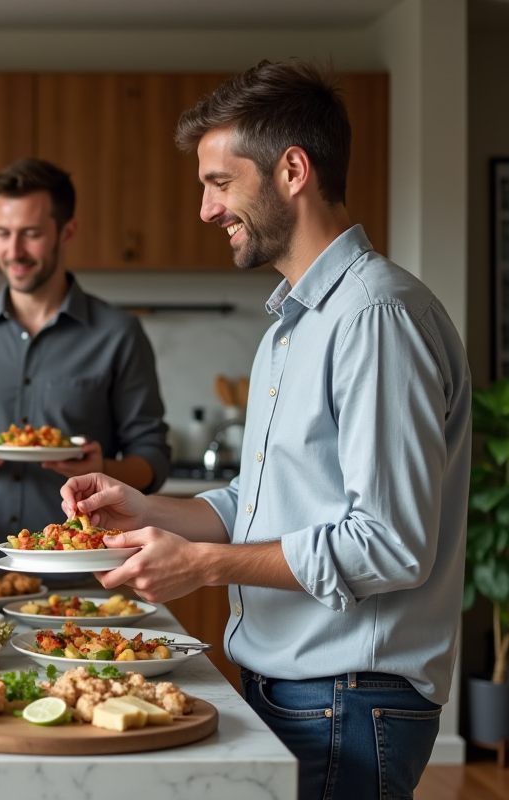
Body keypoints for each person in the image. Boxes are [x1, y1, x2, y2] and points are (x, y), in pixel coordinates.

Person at [60, 60, 470, 800]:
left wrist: (205, 566)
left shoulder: (377, 317)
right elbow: (267, 498)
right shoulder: (292, 324)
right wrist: (147, 509)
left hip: (348, 696)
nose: (206, 210)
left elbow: (390, 541)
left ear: (291, 170)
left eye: (219, 182)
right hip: (299, 689)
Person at [0, 158, 170, 574]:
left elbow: (153, 458)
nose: (13, 251)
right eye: (3, 234)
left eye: (30, 234)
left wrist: (103, 469)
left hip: (83, 569)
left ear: (66, 232)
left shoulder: (119, 334)